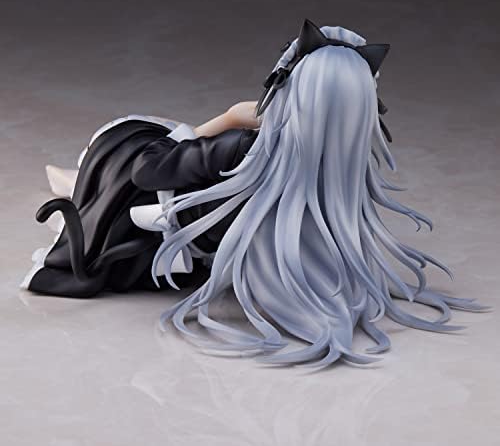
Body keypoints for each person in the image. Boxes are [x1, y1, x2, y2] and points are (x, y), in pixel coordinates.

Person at [21, 20, 487, 368]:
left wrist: (227, 119)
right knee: (136, 154)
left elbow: (148, 169)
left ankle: (84, 183)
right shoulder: (342, 168)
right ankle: (81, 180)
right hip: (202, 229)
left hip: (159, 227)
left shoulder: (248, 147)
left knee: (128, 141)